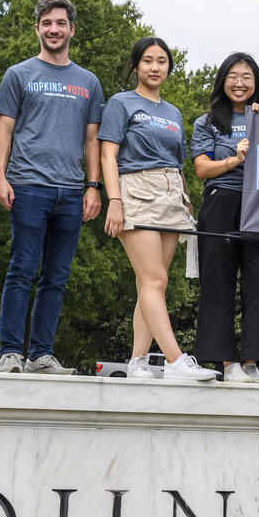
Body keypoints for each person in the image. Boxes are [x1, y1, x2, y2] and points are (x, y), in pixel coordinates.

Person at [0, 0, 105, 374]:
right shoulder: (18, 74)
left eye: (60, 23)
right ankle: (10, 351)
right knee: (22, 269)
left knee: (57, 276)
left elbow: (92, 140)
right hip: (28, 186)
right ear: (37, 28)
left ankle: (41, 354)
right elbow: (3, 131)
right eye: (46, 23)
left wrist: (93, 186)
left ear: (72, 29)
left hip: (72, 192)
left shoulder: (88, 82)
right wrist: (0, 177)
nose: (53, 29)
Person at [99, 37, 216, 382]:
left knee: (151, 285)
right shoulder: (121, 103)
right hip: (136, 191)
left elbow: (177, 163)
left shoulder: (173, 112)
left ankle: (137, 362)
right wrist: (115, 200)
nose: (155, 67)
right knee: (155, 279)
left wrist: (186, 202)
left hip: (171, 197)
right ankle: (175, 359)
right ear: (136, 65)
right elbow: (108, 154)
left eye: (162, 61)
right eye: (148, 61)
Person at [192, 53, 259, 383]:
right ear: (222, 81)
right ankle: (228, 365)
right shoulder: (209, 120)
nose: (239, 83)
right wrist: (235, 159)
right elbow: (201, 169)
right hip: (222, 202)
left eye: (247, 77)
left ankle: (252, 362)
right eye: (233, 76)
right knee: (218, 283)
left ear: (256, 83)